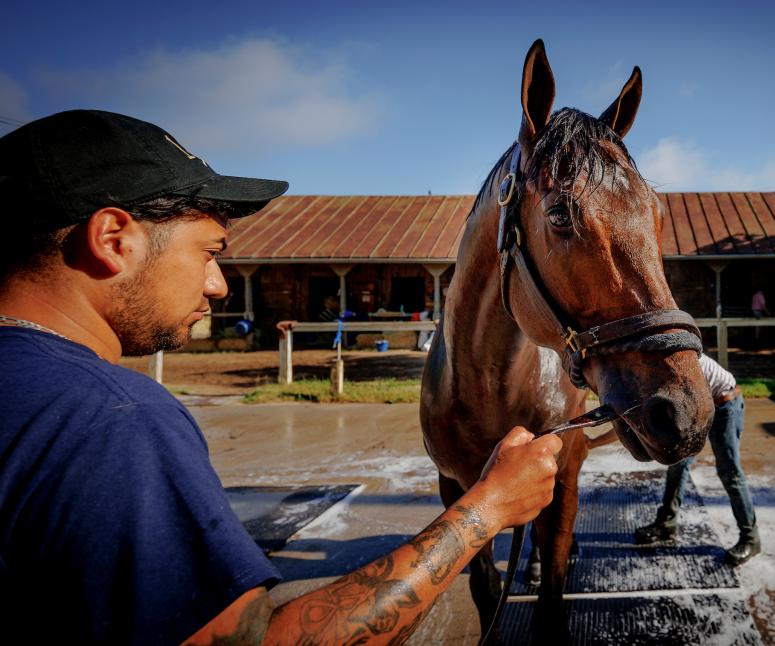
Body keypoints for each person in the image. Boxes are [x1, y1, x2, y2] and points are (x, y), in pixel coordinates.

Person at [0, 110, 562, 645]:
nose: (218, 285)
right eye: (209, 252)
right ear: (113, 239)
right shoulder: (112, 418)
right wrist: (488, 507)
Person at [589, 353, 759, 566]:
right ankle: (666, 524)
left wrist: (593, 443)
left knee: (729, 472)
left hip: (724, 403)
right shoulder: (648, 373)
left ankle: (751, 538)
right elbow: (629, 419)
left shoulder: (669, 370)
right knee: (678, 466)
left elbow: (633, 423)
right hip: (699, 403)